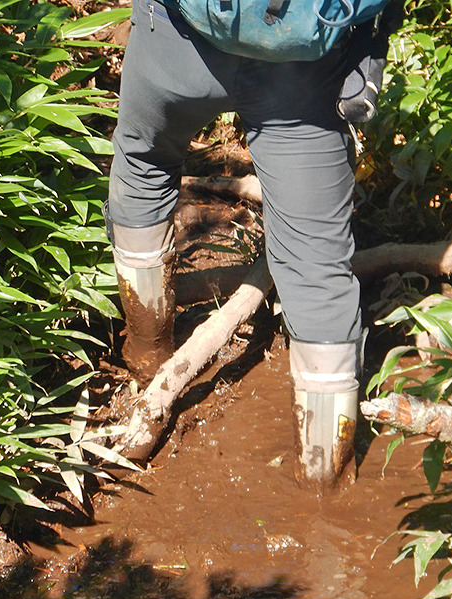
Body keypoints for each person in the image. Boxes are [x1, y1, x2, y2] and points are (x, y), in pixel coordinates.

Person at [106, 0, 391, 487]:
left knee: (144, 163)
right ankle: (324, 485)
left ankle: (147, 353)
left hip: (175, 41)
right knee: (316, 260)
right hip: (303, 61)